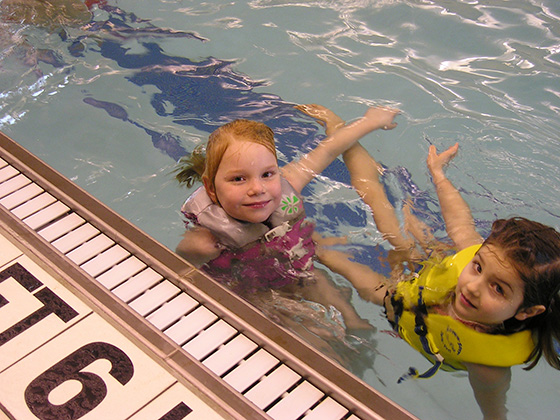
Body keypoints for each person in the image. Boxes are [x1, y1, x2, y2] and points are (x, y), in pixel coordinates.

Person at [298, 104, 560, 420]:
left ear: (527, 311)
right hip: (426, 268)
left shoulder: (488, 368)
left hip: (392, 297)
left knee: (325, 255)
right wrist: (438, 174)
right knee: (378, 204)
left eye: (499, 289)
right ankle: (340, 129)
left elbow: (494, 414)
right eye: (478, 268)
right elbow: (459, 222)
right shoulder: (482, 258)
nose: (474, 287)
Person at [174, 107, 399, 331]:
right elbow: (180, 272)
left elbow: (329, 150)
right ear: (211, 189)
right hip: (256, 290)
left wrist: (370, 121)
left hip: (299, 267)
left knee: (331, 295)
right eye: (238, 179)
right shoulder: (206, 240)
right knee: (301, 331)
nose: (257, 188)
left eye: (267, 174)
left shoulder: (288, 182)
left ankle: (353, 322)